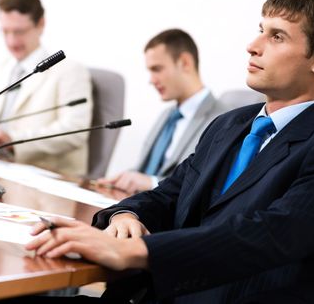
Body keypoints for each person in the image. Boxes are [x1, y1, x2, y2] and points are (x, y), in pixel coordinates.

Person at [27, 0, 314, 304]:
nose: (252, 45)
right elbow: (168, 195)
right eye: (261, 30)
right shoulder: (232, 123)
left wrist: (138, 251)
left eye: (277, 37)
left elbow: (267, 235)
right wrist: (125, 215)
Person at [0, 0, 92, 175]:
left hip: (41, 177)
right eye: (5, 31)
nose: (11, 41)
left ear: (41, 24)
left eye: (19, 32)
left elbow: (75, 131)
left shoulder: (70, 71)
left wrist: (11, 139)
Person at [96, 29, 228, 195]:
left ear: (185, 62)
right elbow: (144, 171)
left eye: (157, 69)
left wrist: (151, 183)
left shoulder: (222, 120)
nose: (151, 80)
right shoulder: (167, 115)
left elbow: (201, 182)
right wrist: (123, 178)